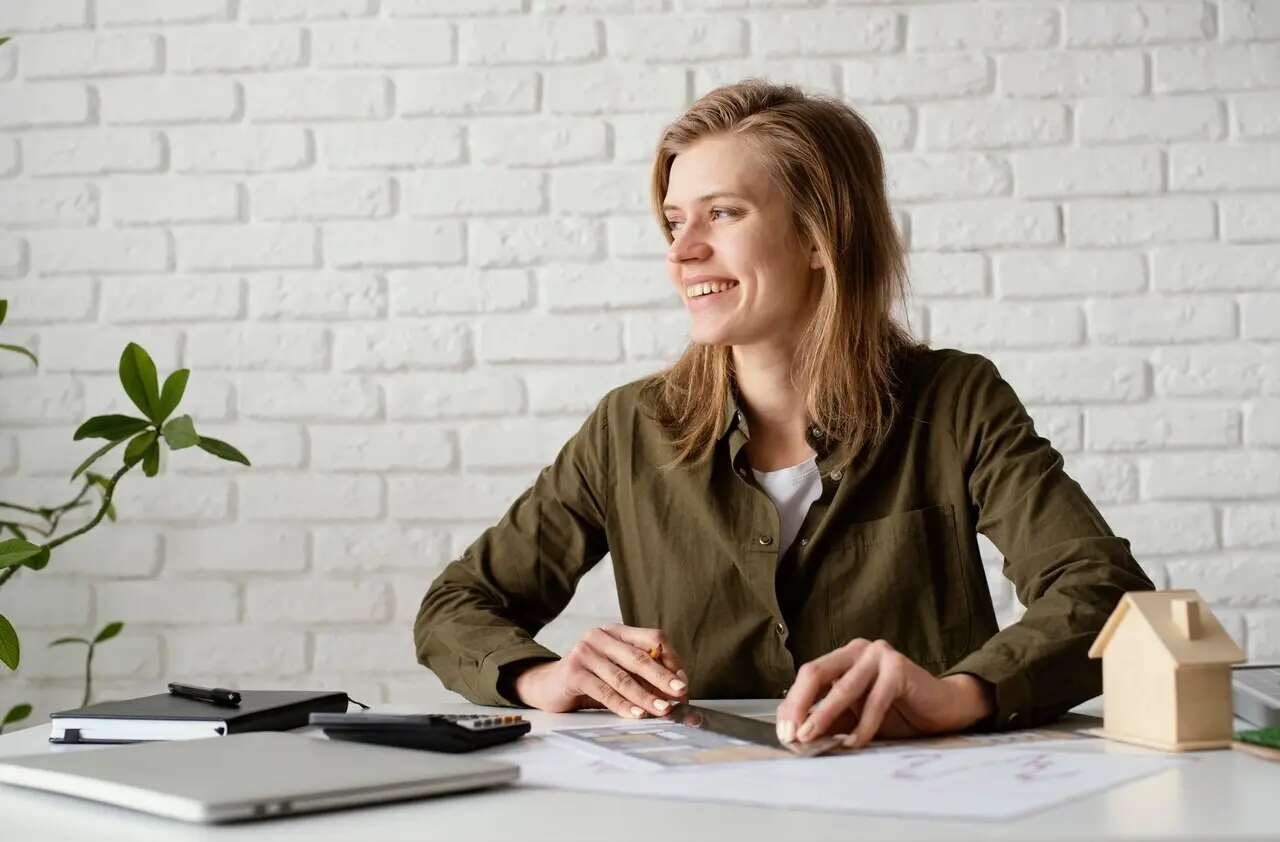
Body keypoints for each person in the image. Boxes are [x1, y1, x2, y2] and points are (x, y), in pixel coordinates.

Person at [414, 79, 1155, 749]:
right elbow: (457, 606)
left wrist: (957, 696)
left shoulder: (955, 400)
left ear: (817, 235)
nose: (682, 251)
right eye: (674, 221)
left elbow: (1105, 593)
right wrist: (542, 678)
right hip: (698, 814)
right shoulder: (628, 428)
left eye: (722, 213)